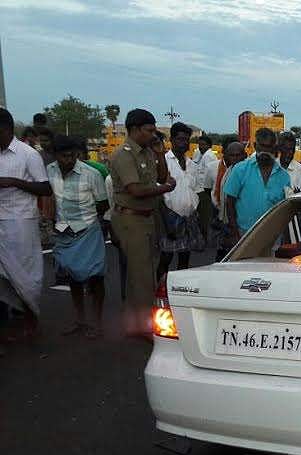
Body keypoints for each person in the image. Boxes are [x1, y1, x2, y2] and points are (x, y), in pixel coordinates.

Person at [109, 108, 175, 336]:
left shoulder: (146, 151)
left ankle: (134, 323)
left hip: (146, 217)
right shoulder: (123, 155)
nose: (153, 134)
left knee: (139, 274)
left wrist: (159, 154)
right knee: (144, 276)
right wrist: (165, 189)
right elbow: (136, 190)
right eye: (149, 130)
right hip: (131, 218)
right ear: (135, 129)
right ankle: (148, 328)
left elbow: (161, 177)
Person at [47, 135, 110, 337]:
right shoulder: (49, 171)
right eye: (64, 156)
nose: (69, 160)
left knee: (95, 277)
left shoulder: (91, 174)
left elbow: (103, 203)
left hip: (88, 230)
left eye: (73, 155)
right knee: (73, 276)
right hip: (63, 231)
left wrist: (87, 221)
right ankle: (80, 320)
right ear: (55, 155)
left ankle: (97, 323)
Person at [0, 108, 52, 339]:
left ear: (6, 129)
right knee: (2, 276)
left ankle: (31, 319)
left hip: (21, 222)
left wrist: (13, 182)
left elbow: (45, 188)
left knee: (24, 274)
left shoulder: (28, 154)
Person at [223, 128, 290, 241]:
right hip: (244, 235)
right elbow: (229, 203)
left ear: (275, 148)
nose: (265, 151)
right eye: (262, 146)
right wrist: (235, 234)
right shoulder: (240, 170)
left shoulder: (284, 176)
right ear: (255, 146)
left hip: (273, 236)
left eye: (269, 147)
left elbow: (285, 210)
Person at [157, 122, 203, 282]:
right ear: (171, 140)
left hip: (189, 218)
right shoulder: (163, 162)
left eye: (186, 140)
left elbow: (197, 191)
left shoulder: (192, 165)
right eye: (180, 139)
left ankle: (178, 291)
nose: (184, 143)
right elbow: (158, 195)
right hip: (170, 217)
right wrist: (166, 222)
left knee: (185, 258)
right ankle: (160, 290)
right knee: (165, 258)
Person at [212, 141, 246, 261]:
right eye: (232, 155)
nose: (235, 158)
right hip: (227, 223)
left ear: (245, 155)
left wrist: (234, 228)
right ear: (226, 156)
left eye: (238, 155)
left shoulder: (246, 173)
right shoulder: (228, 170)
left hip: (239, 225)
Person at [193, 134, 217, 239]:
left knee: (204, 216)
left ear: (209, 146)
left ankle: (204, 239)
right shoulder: (202, 154)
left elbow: (210, 174)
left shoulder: (208, 156)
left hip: (204, 189)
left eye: (203, 145)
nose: (200, 147)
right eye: (199, 145)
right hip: (200, 188)